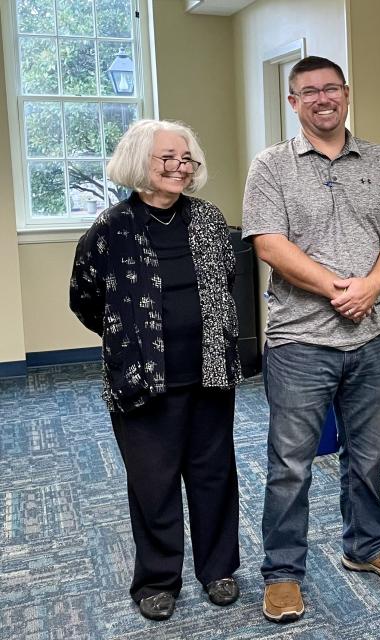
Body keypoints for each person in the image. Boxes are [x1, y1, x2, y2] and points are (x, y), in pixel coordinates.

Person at [242, 55, 380, 624]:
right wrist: (339, 289)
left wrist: (371, 288)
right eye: (309, 92)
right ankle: (283, 573)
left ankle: (366, 546)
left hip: (369, 338)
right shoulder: (270, 167)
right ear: (293, 102)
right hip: (299, 342)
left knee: (368, 455)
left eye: (332, 89)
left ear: (346, 94)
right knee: (290, 465)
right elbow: (269, 245)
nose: (323, 99)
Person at [69, 119, 243, 621]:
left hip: (210, 373)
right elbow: (85, 300)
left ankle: (219, 570)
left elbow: (225, 283)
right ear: (137, 161)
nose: (179, 167)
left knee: (213, 475)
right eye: (167, 157)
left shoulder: (209, 220)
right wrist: (129, 343)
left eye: (186, 158)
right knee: (154, 481)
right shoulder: (110, 228)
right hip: (142, 380)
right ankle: (157, 580)